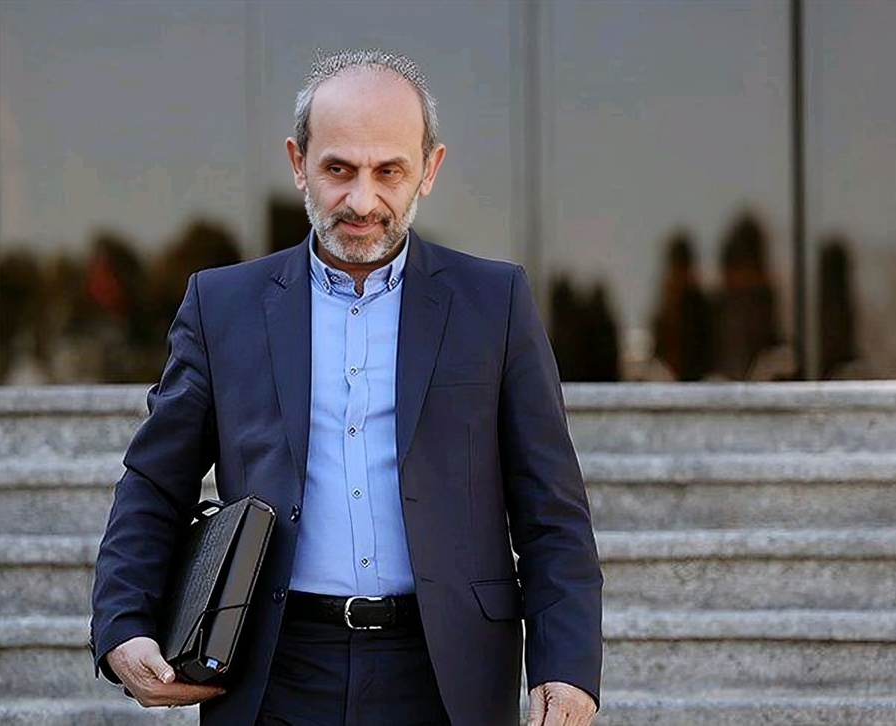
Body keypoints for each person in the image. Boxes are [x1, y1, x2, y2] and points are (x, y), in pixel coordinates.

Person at [91, 49, 602, 726]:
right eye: (338, 169)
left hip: (447, 673)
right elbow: (155, 483)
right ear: (298, 162)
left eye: (389, 170)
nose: (362, 201)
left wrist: (567, 667)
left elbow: (551, 508)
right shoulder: (222, 306)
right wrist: (123, 625)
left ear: (429, 170)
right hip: (272, 670)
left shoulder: (494, 303)